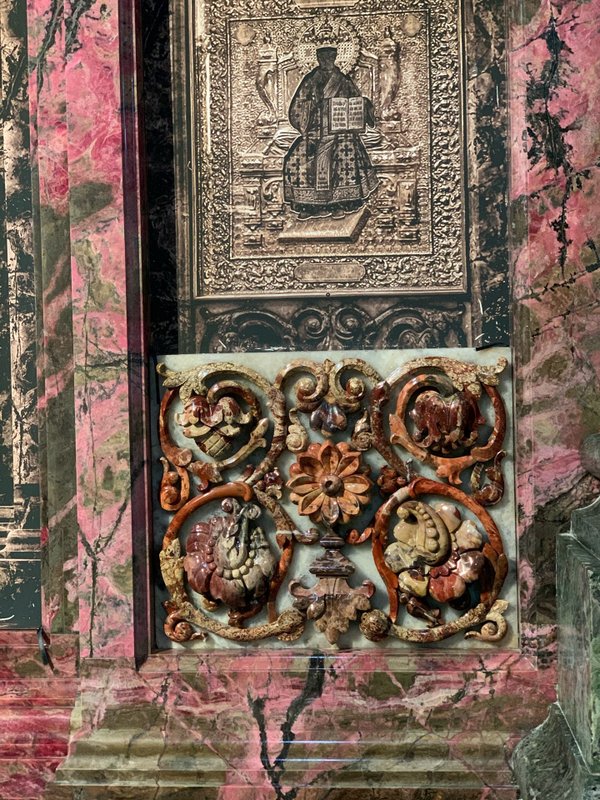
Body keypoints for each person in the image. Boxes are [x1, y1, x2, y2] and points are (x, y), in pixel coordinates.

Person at [283, 46, 379, 219]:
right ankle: (309, 205)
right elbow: (298, 105)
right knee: (296, 158)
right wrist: (312, 107)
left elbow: (355, 100)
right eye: (322, 58)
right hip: (315, 129)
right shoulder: (311, 79)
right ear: (318, 58)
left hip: (341, 129)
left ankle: (339, 203)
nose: (326, 61)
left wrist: (362, 105)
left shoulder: (342, 80)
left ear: (334, 58)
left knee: (345, 153)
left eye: (329, 57)